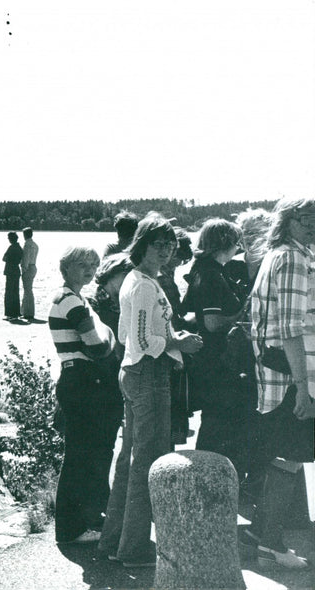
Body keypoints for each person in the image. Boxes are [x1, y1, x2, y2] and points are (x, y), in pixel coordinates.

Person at [98, 213, 203, 568]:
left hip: (135, 372)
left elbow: (128, 336)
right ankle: (133, 549)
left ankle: (114, 541)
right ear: (142, 244)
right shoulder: (143, 284)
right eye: (159, 244)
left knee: (131, 460)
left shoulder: (139, 279)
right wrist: (179, 342)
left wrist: (171, 340)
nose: (166, 250)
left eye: (171, 244)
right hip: (148, 374)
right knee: (148, 461)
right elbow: (141, 340)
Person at [245, 197, 315, 569]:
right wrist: (303, 388)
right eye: (307, 219)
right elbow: (290, 329)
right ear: (288, 221)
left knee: (283, 457)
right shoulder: (292, 258)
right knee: (288, 458)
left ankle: (262, 533)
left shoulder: (280, 254)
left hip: (280, 374)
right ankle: (270, 546)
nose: (314, 226)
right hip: (292, 376)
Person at [49, 246, 122, 544]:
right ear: (66, 267)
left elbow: (100, 339)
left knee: (89, 454)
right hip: (82, 380)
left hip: (83, 380)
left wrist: (105, 335)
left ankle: (89, 520)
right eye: (82, 265)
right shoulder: (69, 300)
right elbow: (98, 346)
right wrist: (108, 336)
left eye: (93, 264)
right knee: (80, 456)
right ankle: (70, 529)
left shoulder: (78, 299)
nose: (90, 270)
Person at [182, 219, 255, 482]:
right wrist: (242, 314)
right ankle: (208, 481)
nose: (238, 248)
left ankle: (208, 480)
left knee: (215, 422)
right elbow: (212, 323)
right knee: (217, 423)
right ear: (224, 243)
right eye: (236, 242)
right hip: (216, 361)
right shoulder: (212, 274)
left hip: (208, 359)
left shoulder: (204, 268)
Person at [156, 227, 194, 445]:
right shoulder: (164, 280)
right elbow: (174, 318)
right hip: (170, 352)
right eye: (177, 259)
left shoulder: (152, 276)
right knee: (168, 419)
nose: (177, 264)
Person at [2, 231, 23, 320]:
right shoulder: (19, 248)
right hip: (16, 271)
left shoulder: (11, 248)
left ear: (11, 239)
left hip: (10, 271)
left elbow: (4, 258)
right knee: (15, 292)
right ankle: (16, 313)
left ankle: (10, 314)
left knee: (9, 293)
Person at [20, 227, 39, 321]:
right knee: (28, 289)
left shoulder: (27, 244)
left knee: (27, 290)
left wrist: (23, 269)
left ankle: (28, 313)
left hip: (28, 267)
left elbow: (26, 258)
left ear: (25, 235)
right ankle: (24, 311)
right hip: (34, 266)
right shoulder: (35, 244)